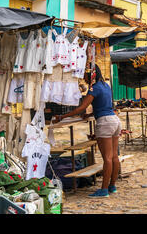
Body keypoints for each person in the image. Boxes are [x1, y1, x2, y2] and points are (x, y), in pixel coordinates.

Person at [53, 65, 121, 198]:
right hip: (115, 120)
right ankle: (112, 186)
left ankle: (104, 190)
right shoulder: (106, 85)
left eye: (85, 74)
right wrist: (90, 115)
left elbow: (81, 108)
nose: (83, 77)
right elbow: (104, 105)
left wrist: (62, 117)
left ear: (91, 75)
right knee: (114, 157)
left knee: (107, 158)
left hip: (105, 123)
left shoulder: (93, 88)